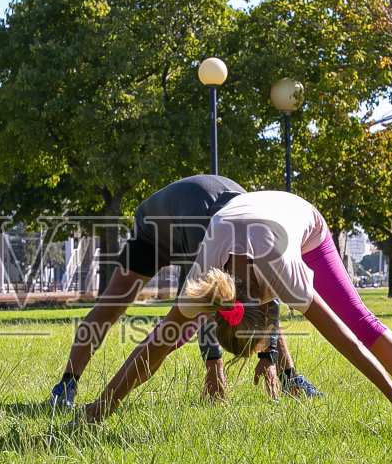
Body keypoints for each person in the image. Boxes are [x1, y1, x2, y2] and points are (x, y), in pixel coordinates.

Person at [72, 189, 392, 432]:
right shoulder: (208, 277)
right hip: (244, 216)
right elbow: (156, 346)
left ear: (266, 307)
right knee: (170, 335)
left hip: (303, 224)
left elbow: (349, 345)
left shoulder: (284, 274)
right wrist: (101, 407)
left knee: (359, 322)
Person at [48, 175, 322, 408]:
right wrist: (214, 367)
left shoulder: (259, 229)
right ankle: (66, 385)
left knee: (253, 294)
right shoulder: (210, 236)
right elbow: (194, 302)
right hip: (155, 229)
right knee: (112, 305)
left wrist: (268, 355)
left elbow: (265, 298)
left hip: (216, 209)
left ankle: (290, 378)